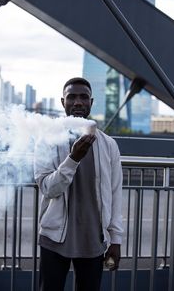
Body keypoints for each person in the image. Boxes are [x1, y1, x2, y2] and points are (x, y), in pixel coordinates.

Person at [34, 77, 123, 291]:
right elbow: (47, 187)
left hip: (94, 239)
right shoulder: (47, 140)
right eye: (71, 97)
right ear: (62, 102)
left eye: (84, 97)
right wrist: (73, 159)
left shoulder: (108, 144)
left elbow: (115, 193)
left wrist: (116, 239)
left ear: (91, 102)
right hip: (55, 237)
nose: (78, 102)